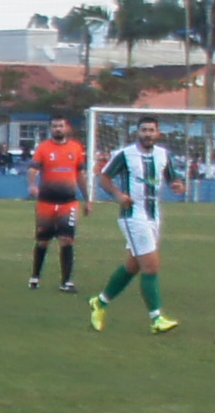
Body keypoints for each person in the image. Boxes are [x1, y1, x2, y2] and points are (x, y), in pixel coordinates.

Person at [89, 118, 182, 333]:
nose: (148, 134)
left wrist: (177, 184)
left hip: (154, 216)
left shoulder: (163, 155)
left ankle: (100, 302)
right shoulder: (125, 154)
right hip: (133, 216)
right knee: (151, 266)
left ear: (157, 133)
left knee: (133, 265)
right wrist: (117, 194)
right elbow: (103, 177)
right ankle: (156, 319)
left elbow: (173, 178)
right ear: (137, 132)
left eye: (151, 130)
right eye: (144, 130)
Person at [24, 120, 89, 290]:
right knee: (43, 241)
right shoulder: (44, 148)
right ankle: (35, 277)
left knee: (66, 240)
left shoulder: (76, 148)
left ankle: (66, 282)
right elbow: (32, 169)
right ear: (51, 129)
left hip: (68, 202)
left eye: (61, 126)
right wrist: (31, 184)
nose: (58, 129)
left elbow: (81, 174)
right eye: (54, 126)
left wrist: (88, 198)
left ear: (67, 128)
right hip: (46, 202)